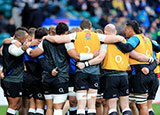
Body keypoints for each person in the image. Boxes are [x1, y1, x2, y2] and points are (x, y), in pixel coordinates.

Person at [115, 20, 160, 115]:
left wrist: (116, 41)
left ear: (130, 30)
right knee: (140, 104)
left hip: (140, 74)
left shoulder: (134, 38)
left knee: (141, 105)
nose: (125, 31)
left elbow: (127, 48)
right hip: (150, 72)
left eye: (126, 29)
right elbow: (158, 48)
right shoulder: (147, 39)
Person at [1, 30, 28, 115]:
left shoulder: (10, 43)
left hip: (14, 79)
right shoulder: (13, 46)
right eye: (26, 38)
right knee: (13, 105)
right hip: (12, 79)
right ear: (22, 38)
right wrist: (25, 47)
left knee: (17, 104)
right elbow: (16, 53)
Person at [24, 27, 48, 115]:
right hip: (39, 79)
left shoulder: (26, 46)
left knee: (31, 106)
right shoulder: (40, 49)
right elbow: (42, 64)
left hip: (28, 78)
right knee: (40, 107)